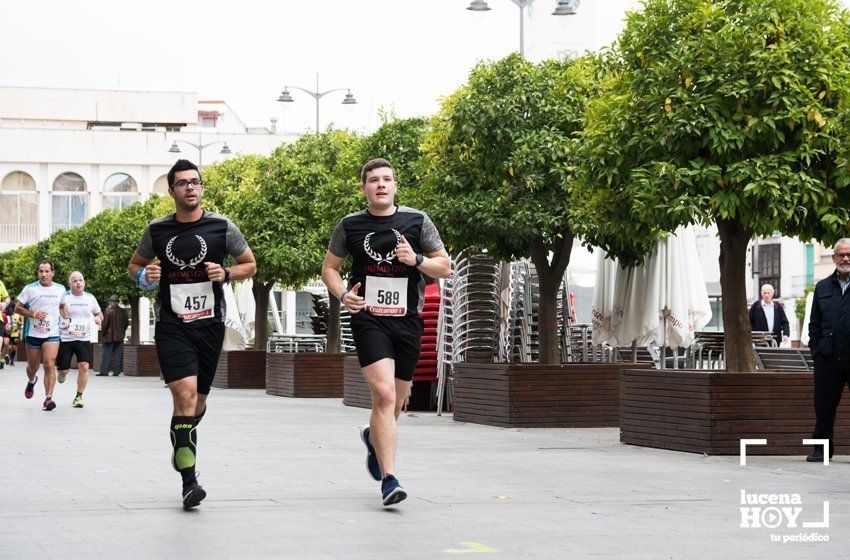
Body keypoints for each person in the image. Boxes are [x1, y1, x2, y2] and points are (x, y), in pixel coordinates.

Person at [321, 158, 452, 506]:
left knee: (396, 401)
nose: (381, 184)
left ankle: (372, 437)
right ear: (364, 187)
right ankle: (390, 479)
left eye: (387, 179)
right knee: (384, 396)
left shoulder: (417, 221)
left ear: (395, 186)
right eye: (374, 180)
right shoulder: (349, 225)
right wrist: (343, 295)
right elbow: (330, 268)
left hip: (408, 319)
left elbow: (445, 266)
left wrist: (417, 261)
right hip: (368, 318)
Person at [128, 159, 256, 509]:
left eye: (195, 182)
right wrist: (145, 277)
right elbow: (136, 266)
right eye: (182, 183)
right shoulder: (157, 230)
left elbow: (250, 263)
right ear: (171, 191)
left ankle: (181, 445)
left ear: (201, 188)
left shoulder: (222, 227)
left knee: (198, 402)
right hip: (172, 325)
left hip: (210, 325)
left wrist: (227, 273)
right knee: (183, 396)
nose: (190, 187)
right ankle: (190, 481)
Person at [15, 260, 65, 411]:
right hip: (34, 333)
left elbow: (62, 306)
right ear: (38, 273)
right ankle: (32, 380)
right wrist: (34, 314)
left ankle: (48, 398)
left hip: (52, 332)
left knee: (49, 363)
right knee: (33, 367)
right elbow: (18, 308)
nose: (44, 274)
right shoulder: (30, 289)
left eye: (47, 271)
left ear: (52, 273)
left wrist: (67, 318)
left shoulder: (60, 289)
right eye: (41, 271)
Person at [57, 271, 103, 408]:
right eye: (75, 280)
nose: (78, 283)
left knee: (84, 366)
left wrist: (98, 318)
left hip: (83, 338)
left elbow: (99, 312)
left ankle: (79, 396)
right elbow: (55, 310)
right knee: (63, 370)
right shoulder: (63, 296)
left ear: (84, 282)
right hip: (65, 338)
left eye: (81, 280)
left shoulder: (90, 298)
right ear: (70, 284)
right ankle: (61, 374)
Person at [99, 295, 129, 376]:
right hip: (120, 337)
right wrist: (122, 331)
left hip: (109, 337)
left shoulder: (108, 310)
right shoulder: (124, 311)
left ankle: (104, 372)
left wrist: (103, 333)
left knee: (106, 354)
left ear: (111, 302)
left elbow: (105, 325)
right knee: (118, 355)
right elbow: (126, 324)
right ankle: (117, 372)